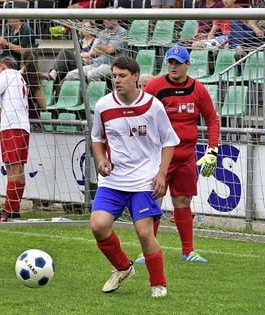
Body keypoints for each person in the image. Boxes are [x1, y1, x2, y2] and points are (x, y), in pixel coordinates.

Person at [90, 56, 179, 298]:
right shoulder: (104, 105)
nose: (116, 80)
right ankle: (122, 268)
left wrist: (161, 174)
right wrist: (100, 159)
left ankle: (158, 284)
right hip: (113, 180)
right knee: (98, 226)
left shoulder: (153, 106)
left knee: (143, 232)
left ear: (135, 76)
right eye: (114, 76)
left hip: (143, 180)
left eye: (122, 76)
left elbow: (169, 141)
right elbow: (97, 137)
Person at [140, 45, 220, 264]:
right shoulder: (156, 86)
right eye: (170, 62)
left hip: (186, 156)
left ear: (188, 64)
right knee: (153, 201)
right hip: (159, 157)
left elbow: (212, 119)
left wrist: (212, 148)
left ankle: (188, 251)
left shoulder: (198, 89)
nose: (173, 66)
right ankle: (147, 250)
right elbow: (141, 115)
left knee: (183, 201)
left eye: (177, 62)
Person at [0, 57, 31, 222]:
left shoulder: (6, 74)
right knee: (18, 168)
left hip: (12, 126)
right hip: (22, 126)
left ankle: (9, 209)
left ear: (1, 66)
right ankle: (13, 207)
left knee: (12, 168)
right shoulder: (20, 78)